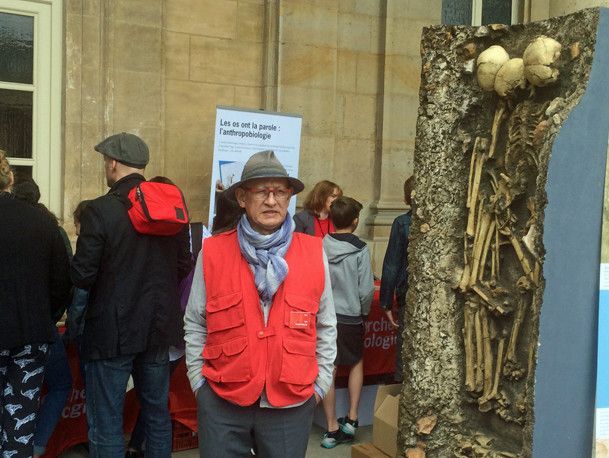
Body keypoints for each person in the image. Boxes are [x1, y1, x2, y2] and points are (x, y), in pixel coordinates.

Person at [184, 150, 337, 458]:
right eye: (261, 191)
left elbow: (326, 324)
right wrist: (199, 383)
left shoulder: (313, 252)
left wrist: (319, 386)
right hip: (222, 401)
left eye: (280, 191)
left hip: (290, 403)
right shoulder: (212, 252)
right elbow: (195, 321)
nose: (272, 200)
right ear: (241, 197)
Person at [70, 132, 192, 456]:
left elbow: (82, 275)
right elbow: (184, 264)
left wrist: (75, 324)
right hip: (157, 327)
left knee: (106, 420)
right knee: (156, 413)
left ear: (112, 163)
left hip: (111, 331)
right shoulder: (171, 207)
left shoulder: (100, 210)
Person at [0, 151, 72, 456]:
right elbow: (62, 283)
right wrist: (45, 313)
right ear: (11, 178)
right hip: (31, 335)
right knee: (19, 426)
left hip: (28, 331)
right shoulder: (42, 222)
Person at [320, 196, 374, 449]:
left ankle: (330, 427)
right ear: (355, 221)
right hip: (351, 315)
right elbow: (365, 290)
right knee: (355, 362)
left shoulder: (321, 245)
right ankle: (352, 418)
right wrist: (363, 312)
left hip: (327, 315)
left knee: (328, 368)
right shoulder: (361, 249)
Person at [379, 176, 413, 382]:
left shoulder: (402, 223)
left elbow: (391, 265)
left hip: (407, 292)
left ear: (405, 198)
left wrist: (385, 303)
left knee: (405, 346)